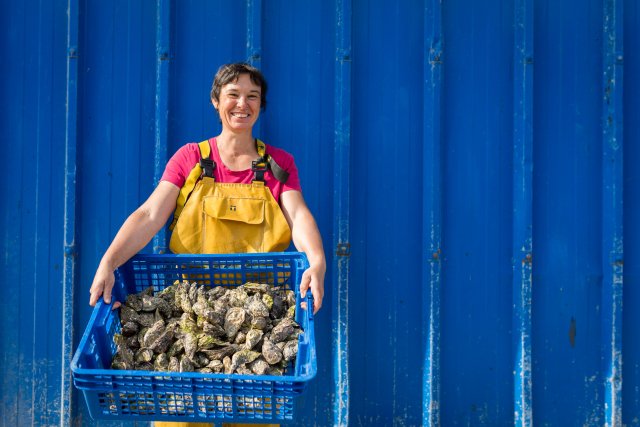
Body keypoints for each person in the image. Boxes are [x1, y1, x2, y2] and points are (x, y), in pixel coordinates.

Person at [88, 62, 326, 427]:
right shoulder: (191, 159)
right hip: (187, 309)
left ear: (261, 105)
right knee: (179, 419)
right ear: (216, 101)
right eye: (232, 95)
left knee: (253, 417)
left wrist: (317, 261)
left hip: (259, 314)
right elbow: (150, 215)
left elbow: (299, 215)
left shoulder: (278, 164)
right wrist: (108, 261)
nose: (241, 104)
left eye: (252, 96)